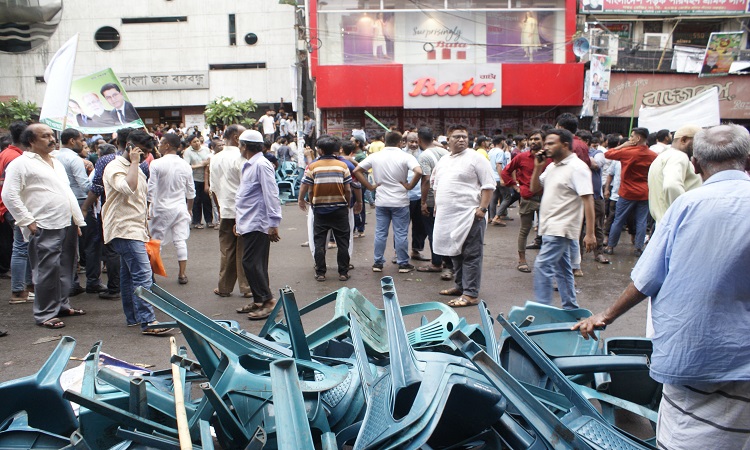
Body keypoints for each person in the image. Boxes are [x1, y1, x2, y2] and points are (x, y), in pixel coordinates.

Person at [573, 124, 750, 450]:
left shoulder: (686, 206)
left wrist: (606, 316)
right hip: (741, 360)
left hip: (692, 354)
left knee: (686, 437)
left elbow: (648, 278)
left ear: (695, 164)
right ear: (748, 162)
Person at [2, 124, 87, 329]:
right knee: (46, 270)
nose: (51, 139)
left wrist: (76, 219)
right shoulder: (20, 163)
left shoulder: (56, 161)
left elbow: (66, 191)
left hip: (65, 222)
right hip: (43, 224)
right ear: (31, 141)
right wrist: (27, 221)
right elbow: (9, 195)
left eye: (52, 135)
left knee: (66, 268)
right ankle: (45, 313)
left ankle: (62, 305)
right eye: (45, 136)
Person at [102, 129, 172, 335]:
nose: (145, 157)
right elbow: (128, 188)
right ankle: (148, 322)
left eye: (146, 154)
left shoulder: (138, 168)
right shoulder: (115, 167)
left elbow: (139, 198)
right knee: (143, 275)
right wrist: (133, 162)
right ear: (130, 147)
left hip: (134, 227)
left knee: (129, 276)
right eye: (142, 152)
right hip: (123, 228)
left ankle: (134, 317)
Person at [530, 129, 596, 309]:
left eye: (551, 143)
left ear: (565, 145)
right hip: (549, 225)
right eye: (546, 144)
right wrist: (537, 167)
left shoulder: (577, 167)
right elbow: (534, 188)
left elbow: (588, 199)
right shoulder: (552, 167)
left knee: (542, 266)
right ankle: (571, 307)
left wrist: (589, 234)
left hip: (561, 227)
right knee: (563, 270)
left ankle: (542, 310)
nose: (546, 147)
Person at [432, 124, 496, 308]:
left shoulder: (476, 158)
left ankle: (471, 294)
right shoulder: (444, 160)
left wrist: (482, 209)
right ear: (448, 140)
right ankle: (460, 286)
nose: (461, 140)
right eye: (457, 136)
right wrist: (437, 206)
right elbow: (437, 185)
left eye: (464, 137)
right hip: (448, 217)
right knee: (455, 253)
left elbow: (489, 185)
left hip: (470, 215)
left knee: (471, 254)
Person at [352, 131, 422, 273]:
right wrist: (410, 186)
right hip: (400, 201)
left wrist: (370, 186)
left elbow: (357, 170)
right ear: (400, 142)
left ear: (384, 140)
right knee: (401, 233)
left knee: (380, 232)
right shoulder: (405, 156)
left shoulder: (375, 156)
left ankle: (378, 263)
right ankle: (403, 264)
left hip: (382, 200)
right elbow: (419, 171)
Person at [235, 130, 282, 320]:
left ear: (245, 146)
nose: (239, 147)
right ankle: (259, 299)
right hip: (248, 220)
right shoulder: (250, 165)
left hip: (258, 221)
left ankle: (268, 300)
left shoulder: (261, 165)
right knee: (254, 263)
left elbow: (271, 193)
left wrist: (273, 222)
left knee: (251, 262)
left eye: (240, 144)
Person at [298, 135, 357, 281]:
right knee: (343, 242)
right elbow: (348, 189)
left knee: (319, 242)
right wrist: (346, 204)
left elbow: (309, 188)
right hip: (340, 209)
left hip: (320, 210)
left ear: (321, 151)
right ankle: (343, 272)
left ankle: (321, 273)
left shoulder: (313, 166)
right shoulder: (342, 166)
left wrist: (307, 200)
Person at [55, 128, 106, 296]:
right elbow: (85, 186)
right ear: (72, 141)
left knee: (68, 246)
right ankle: (92, 281)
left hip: (61, 203)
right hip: (80, 202)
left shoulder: (54, 157)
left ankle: (71, 283)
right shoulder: (74, 159)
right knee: (92, 244)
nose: (83, 143)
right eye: (81, 140)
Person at [209, 125, 254, 299]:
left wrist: (219, 209)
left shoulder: (216, 158)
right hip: (242, 210)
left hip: (226, 209)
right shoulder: (241, 157)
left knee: (227, 249)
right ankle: (246, 286)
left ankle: (224, 287)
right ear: (236, 138)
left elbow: (213, 188)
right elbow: (247, 186)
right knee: (244, 249)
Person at [148, 133, 195, 285]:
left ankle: (151, 275)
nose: (159, 146)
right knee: (180, 240)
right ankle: (182, 274)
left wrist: (148, 208)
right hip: (180, 207)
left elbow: (151, 189)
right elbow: (191, 191)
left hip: (161, 208)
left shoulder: (156, 164)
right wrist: (189, 209)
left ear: (167, 145)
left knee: (156, 242)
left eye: (161, 143)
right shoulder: (185, 165)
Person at [603, 127, 657, 256]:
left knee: (619, 219)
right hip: (644, 192)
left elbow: (608, 154)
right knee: (641, 221)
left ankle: (610, 246)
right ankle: (638, 248)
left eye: (632, 136)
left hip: (627, 192)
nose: (630, 138)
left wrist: (622, 145)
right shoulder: (653, 155)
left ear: (638, 138)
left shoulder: (627, 152)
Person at [501, 129, 547, 273]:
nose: (533, 142)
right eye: (531, 139)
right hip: (528, 198)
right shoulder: (521, 157)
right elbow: (505, 172)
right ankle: (522, 260)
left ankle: (547, 263)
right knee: (525, 229)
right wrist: (515, 187)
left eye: (537, 139)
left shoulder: (550, 158)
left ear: (544, 141)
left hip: (547, 199)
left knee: (547, 232)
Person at [0, 122, 34, 304]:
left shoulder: (7, 153)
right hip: (15, 208)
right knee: (21, 248)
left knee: (23, 247)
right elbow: (11, 190)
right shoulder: (15, 158)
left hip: (9, 208)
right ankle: (19, 291)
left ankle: (25, 288)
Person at [647, 124, 702, 224]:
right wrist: (684, 215)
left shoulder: (663, 156)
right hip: (677, 225)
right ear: (684, 140)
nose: (701, 148)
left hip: (665, 223)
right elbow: (672, 186)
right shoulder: (679, 156)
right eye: (698, 143)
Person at [415, 127, 451, 277]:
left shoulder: (424, 156)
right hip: (446, 196)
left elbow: (426, 180)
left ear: (419, 140)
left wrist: (423, 202)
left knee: (433, 232)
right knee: (445, 231)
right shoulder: (445, 152)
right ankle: (448, 263)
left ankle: (436, 263)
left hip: (431, 198)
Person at [182, 134, 213, 229]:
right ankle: (196, 221)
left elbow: (210, 161)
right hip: (194, 179)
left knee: (207, 200)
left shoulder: (206, 150)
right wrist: (201, 165)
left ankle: (209, 221)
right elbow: (186, 166)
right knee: (196, 200)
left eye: (198, 141)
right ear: (190, 143)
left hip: (206, 178)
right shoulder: (187, 152)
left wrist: (206, 165)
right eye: (194, 142)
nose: (197, 143)